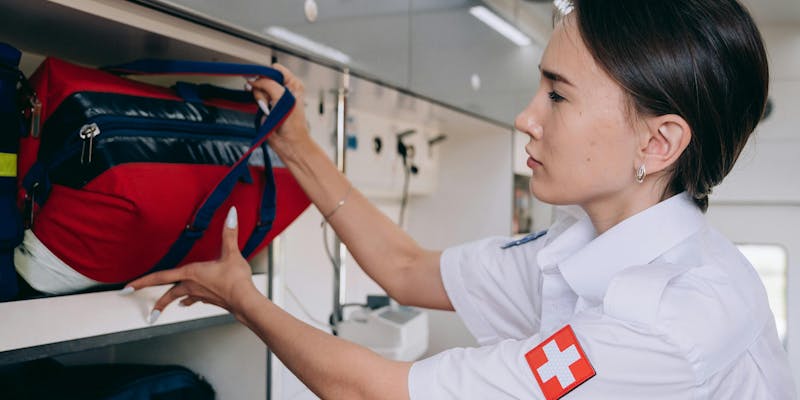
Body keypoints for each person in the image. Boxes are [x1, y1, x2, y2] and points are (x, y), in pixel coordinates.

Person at [125, 0, 797, 398]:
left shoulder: (669, 323)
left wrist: (242, 296)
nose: (526, 118)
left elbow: (369, 391)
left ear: (657, 145)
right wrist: (297, 143)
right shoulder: (579, 249)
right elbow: (407, 269)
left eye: (558, 95)